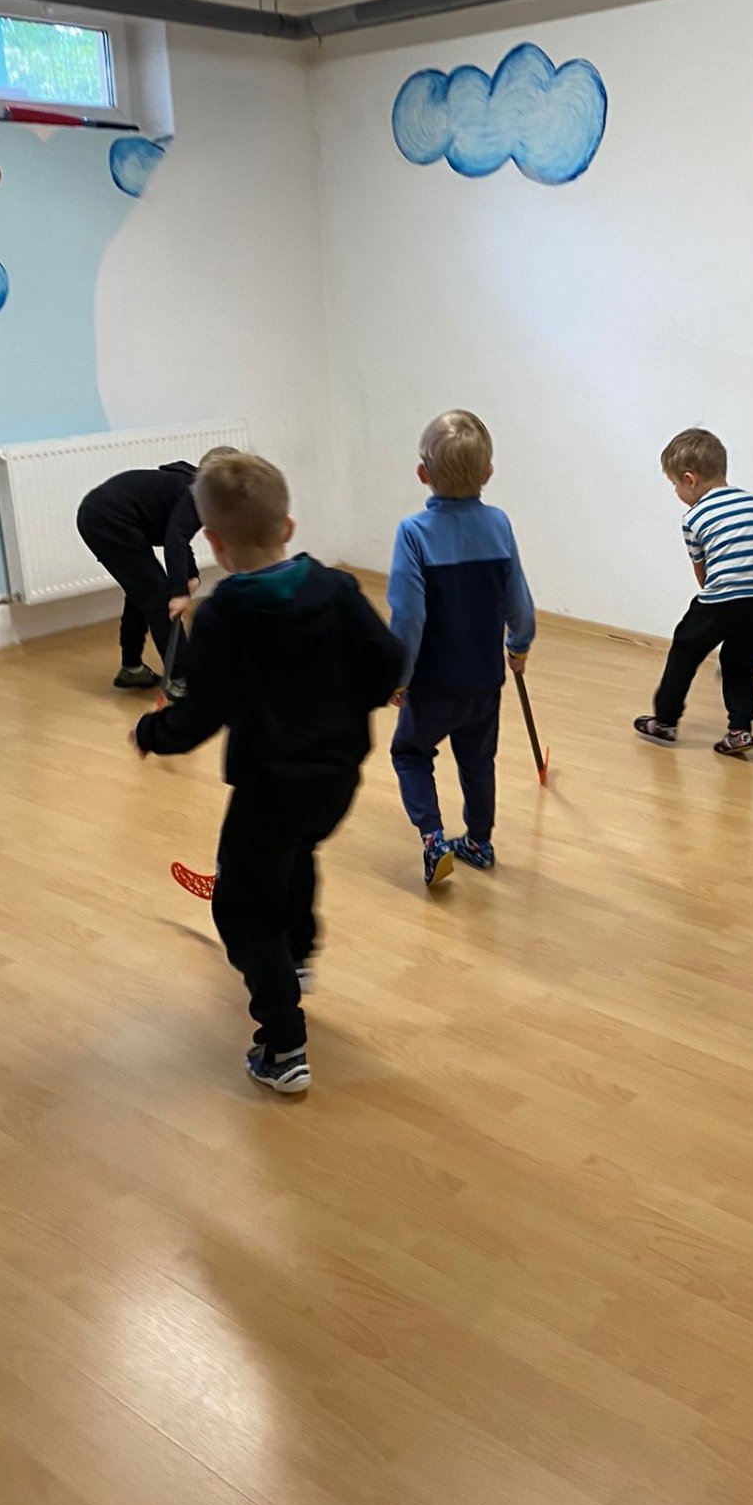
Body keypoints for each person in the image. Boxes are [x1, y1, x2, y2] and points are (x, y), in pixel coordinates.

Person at [134, 452, 403, 1091]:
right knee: (297, 851)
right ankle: (299, 956)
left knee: (242, 911)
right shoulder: (336, 588)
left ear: (214, 543)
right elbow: (389, 662)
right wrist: (351, 703)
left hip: (267, 788)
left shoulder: (222, 614)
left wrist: (152, 732)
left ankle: (283, 1047)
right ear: (287, 526)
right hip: (336, 778)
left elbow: (201, 715)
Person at [387, 410, 535, 890]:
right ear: (488, 474)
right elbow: (519, 599)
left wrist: (399, 675)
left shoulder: (414, 533)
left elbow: (408, 616)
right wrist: (519, 644)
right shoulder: (499, 524)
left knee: (410, 752)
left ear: (422, 473)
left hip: (433, 684)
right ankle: (479, 841)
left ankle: (433, 839)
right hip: (484, 680)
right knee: (477, 759)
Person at [633, 428, 753, 757]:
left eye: (674, 484)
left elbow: (702, 572)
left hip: (723, 599)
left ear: (690, 480)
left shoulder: (695, 516)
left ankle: (665, 721)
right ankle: (739, 730)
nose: (676, 491)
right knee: (739, 662)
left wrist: (720, 600)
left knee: (685, 649)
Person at [77, 447, 238, 698]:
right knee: (159, 597)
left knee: (143, 592)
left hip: (99, 514)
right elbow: (176, 537)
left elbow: (177, 535)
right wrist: (179, 592)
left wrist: (190, 575)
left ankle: (132, 668)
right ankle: (182, 678)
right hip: (109, 519)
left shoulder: (189, 488)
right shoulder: (197, 496)